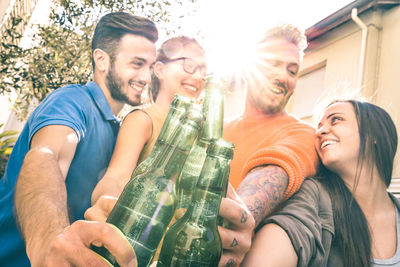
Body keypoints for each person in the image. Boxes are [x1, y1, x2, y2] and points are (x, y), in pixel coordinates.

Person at [0, 12, 158, 266]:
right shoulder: (72, 101)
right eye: (137, 64)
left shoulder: (121, 135)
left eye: (150, 67)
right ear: (101, 60)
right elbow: (46, 156)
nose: (146, 77)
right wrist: (48, 239)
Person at [86, 35, 255, 267]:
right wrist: (111, 207)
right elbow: (115, 178)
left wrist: (241, 219)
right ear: (159, 69)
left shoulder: (205, 141)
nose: (197, 77)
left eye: (203, 71)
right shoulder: (144, 119)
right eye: (188, 65)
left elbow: (223, 198)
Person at [242, 99, 399, 267]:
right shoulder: (313, 197)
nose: (319, 132)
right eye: (319, 126)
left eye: (336, 119)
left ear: (373, 134)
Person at [223, 23, 319, 251]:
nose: (282, 76)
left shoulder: (304, 134)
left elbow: (275, 169)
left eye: (292, 71)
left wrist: (233, 226)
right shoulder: (216, 130)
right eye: (273, 64)